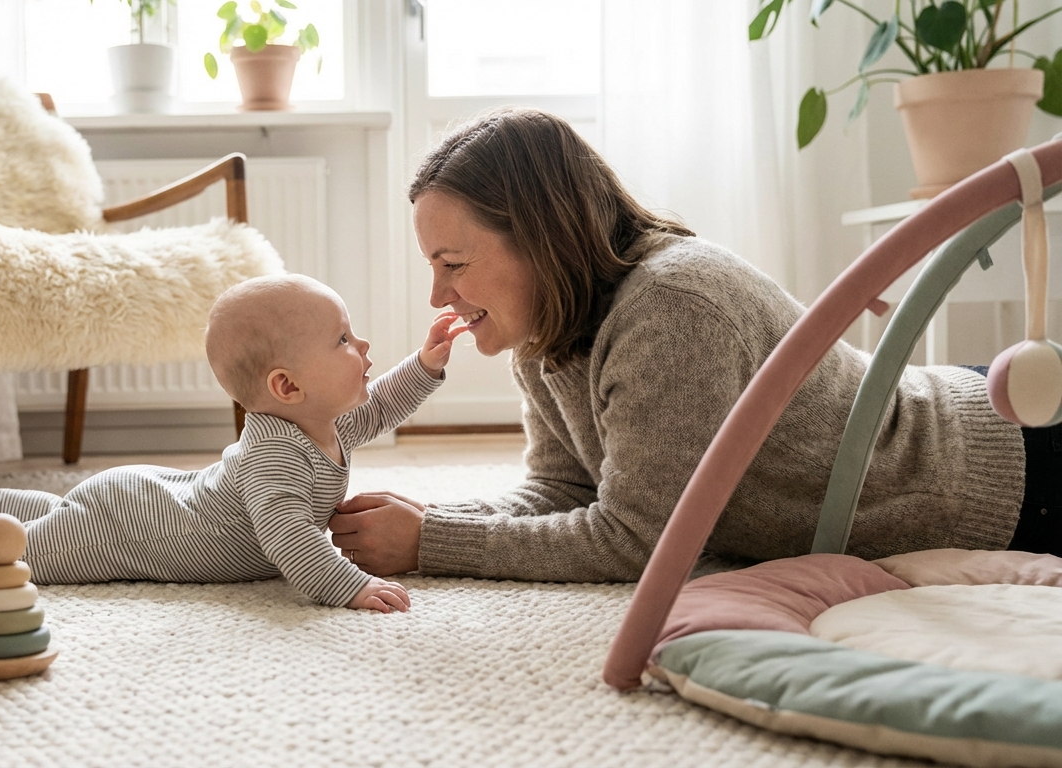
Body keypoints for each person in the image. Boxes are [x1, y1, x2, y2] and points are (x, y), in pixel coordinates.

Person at [330, 107, 1050, 583]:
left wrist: (432, 545)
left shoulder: (670, 309)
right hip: (974, 420)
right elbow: (566, 490)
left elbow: (636, 539)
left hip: (1009, 464)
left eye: (454, 265)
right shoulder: (544, 327)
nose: (438, 297)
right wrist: (429, 519)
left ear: (544, 239)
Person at [0, 274, 467, 613]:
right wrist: (349, 586)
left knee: (61, 517)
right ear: (287, 385)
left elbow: (381, 403)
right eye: (344, 340)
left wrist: (426, 363)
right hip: (138, 530)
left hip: (149, 499)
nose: (362, 350)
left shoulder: (325, 421)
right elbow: (292, 539)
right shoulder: (276, 455)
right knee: (27, 554)